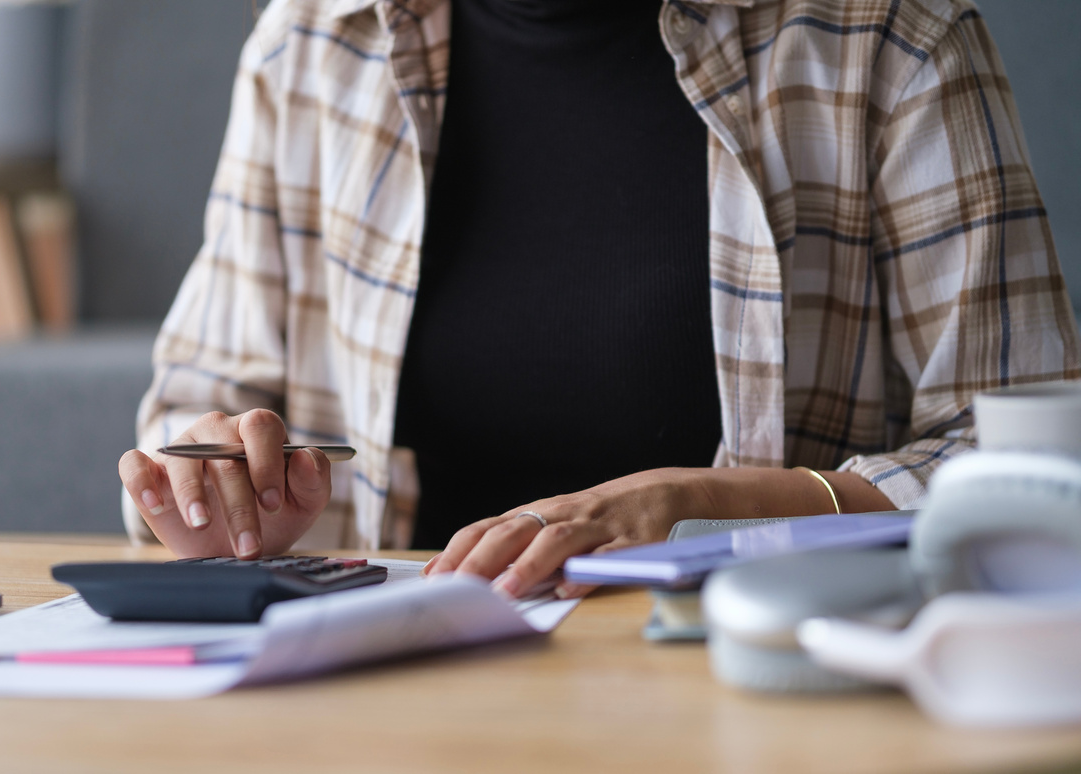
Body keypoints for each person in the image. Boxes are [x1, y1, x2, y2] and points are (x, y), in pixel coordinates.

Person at [118, 0, 1079, 599]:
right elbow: (195, 399)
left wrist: (702, 508)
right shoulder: (312, 41)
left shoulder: (893, 42)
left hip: (755, 668)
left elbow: (1037, 465)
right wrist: (222, 493)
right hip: (392, 669)